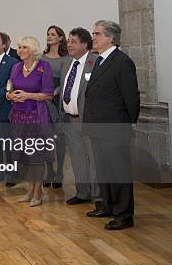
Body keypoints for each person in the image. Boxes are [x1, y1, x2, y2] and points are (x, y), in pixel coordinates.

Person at [83, 20, 139, 230]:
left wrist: (127, 126)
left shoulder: (122, 62)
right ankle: (108, 206)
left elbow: (131, 98)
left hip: (115, 128)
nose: (93, 37)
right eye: (93, 33)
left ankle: (124, 215)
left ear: (110, 37)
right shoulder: (99, 61)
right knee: (104, 170)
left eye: (97, 34)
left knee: (118, 172)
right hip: (98, 126)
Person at [7, 37, 54, 207]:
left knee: (37, 157)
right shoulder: (16, 68)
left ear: (33, 50)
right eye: (19, 47)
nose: (20, 50)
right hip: (18, 118)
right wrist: (10, 96)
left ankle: (38, 192)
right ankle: (29, 189)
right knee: (24, 156)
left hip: (36, 117)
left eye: (24, 47)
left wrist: (28, 96)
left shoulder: (43, 67)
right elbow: (9, 90)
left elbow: (48, 95)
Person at [59, 28, 99, 206]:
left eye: (73, 41)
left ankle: (99, 197)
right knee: (77, 158)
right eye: (68, 41)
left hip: (88, 120)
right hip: (70, 120)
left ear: (85, 44)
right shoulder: (68, 63)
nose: (69, 44)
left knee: (93, 159)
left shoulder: (95, 62)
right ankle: (82, 192)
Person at [0, 31, 19, 186]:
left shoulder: (13, 62)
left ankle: (12, 174)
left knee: (8, 145)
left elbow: (10, 84)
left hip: (5, 109)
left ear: (5, 45)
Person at [41, 25, 68, 189]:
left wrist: (54, 93)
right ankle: (49, 170)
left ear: (60, 38)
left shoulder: (66, 58)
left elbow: (65, 81)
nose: (49, 36)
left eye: (52, 34)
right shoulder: (42, 58)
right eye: (48, 34)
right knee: (46, 139)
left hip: (58, 101)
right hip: (44, 100)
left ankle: (59, 172)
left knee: (59, 139)